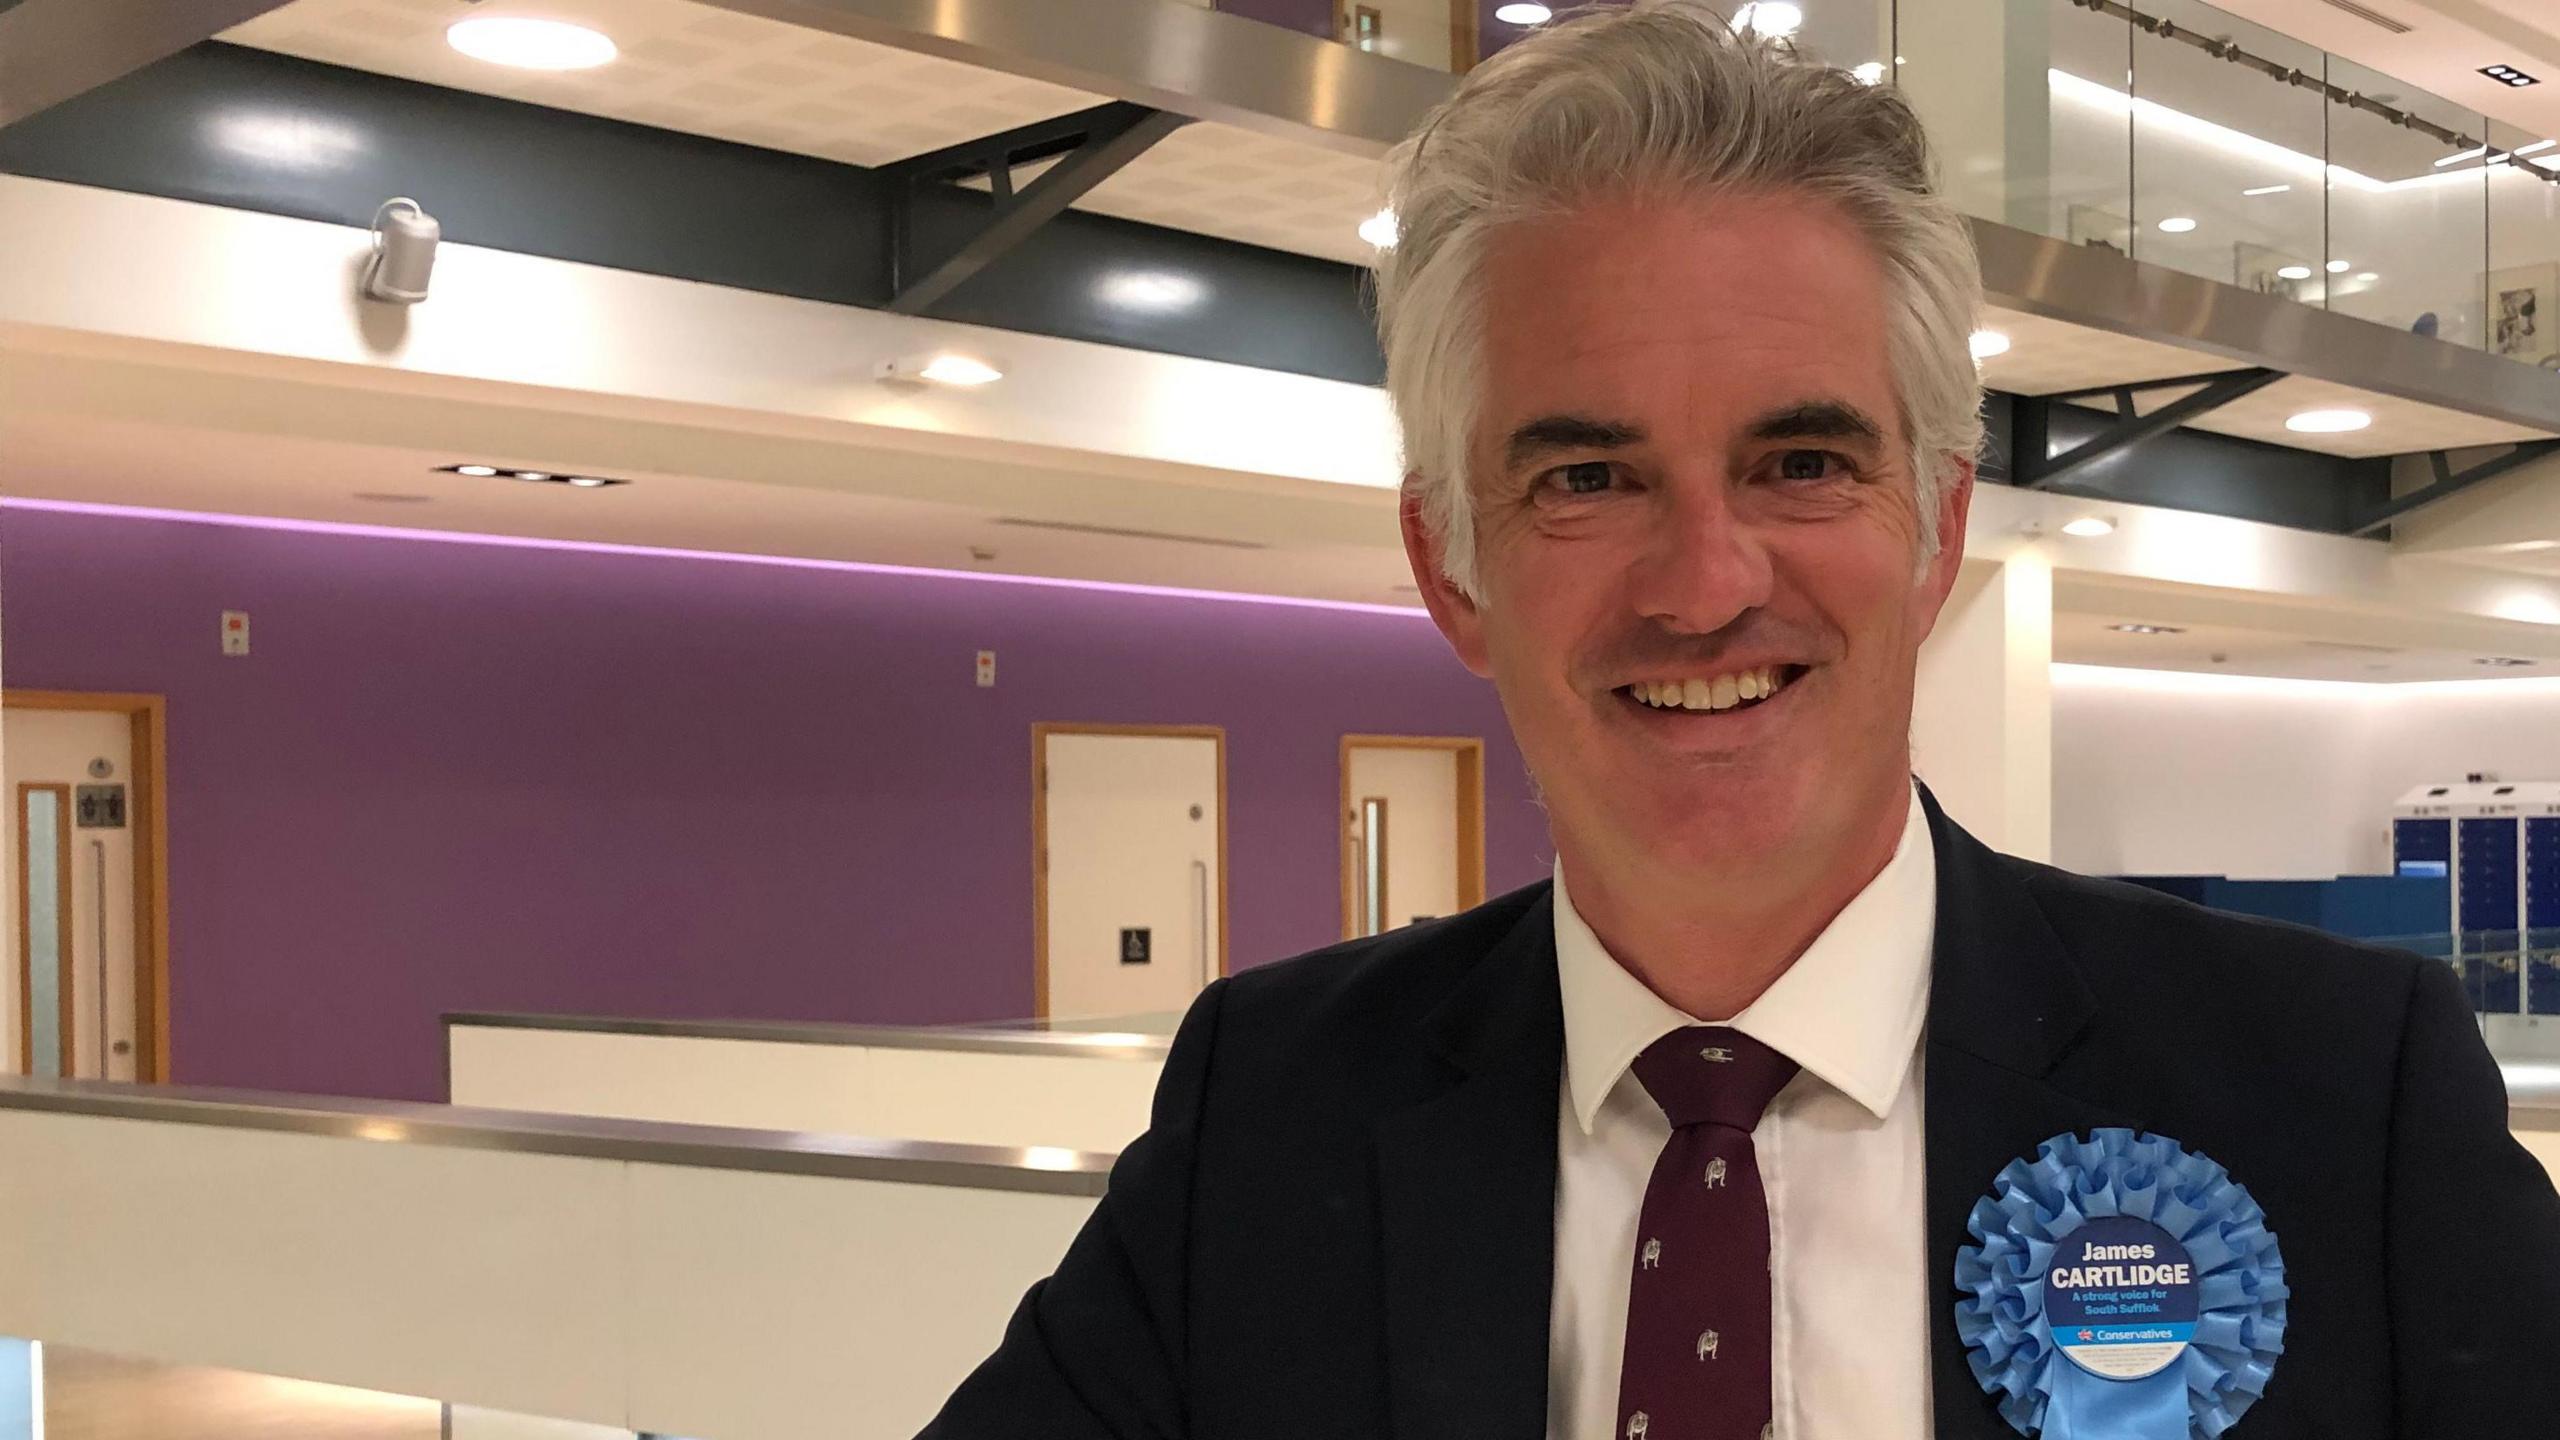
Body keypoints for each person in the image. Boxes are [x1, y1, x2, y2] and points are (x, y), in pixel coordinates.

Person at [920, 5, 2560, 1437]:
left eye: (1801, 463)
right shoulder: (1271, 1117)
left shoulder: (2342, 1097)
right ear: (1453, 566)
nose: (1704, 586)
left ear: (1935, 530)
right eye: (1586, 478)